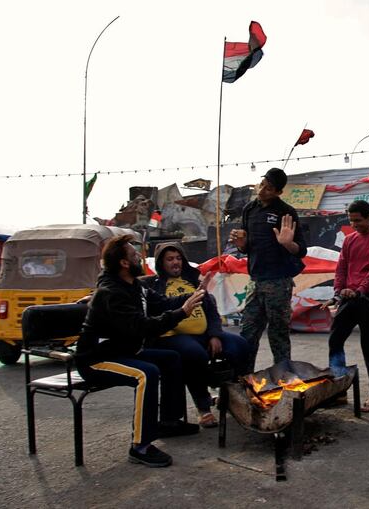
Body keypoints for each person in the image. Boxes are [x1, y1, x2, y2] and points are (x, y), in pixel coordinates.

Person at [75, 235, 202, 468]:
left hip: (124, 352)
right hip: (98, 359)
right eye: (135, 255)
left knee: (172, 359)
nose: (140, 258)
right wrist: (182, 312)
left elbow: (162, 303)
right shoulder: (111, 292)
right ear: (124, 263)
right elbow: (141, 327)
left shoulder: (136, 286)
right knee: (146, 373)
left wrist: (197, 294)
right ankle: (140, 446)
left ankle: (169, 422)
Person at [142, 242, 250, 428]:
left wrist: (214, 334)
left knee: (240, 345)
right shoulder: (153, 285)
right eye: (170, 259)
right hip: (172, 336)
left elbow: (212, 313)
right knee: (194, 354)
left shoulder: (193, 281)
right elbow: (131, 291)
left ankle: (233, 396)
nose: (175, 262)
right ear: (161, 263)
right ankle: (204, 406)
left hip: (205, 334)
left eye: (178, 258)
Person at [229, 168, 308, 372]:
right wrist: (241, 243)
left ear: (278, 192)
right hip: (255, 279)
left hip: (279, 281)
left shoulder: (286, 212)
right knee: (248, 333)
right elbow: (246, 246)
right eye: (262, 183)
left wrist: (287, 244)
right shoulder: (249, 209)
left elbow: (301, 250)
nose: (262, 189)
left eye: (269, 188)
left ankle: (283, 379)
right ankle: (244, 380)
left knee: (278, 334)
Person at [324, 200, 369, 413]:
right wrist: (338, 292)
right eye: (351, 221)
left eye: (358, 220)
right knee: (335, 340)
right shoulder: (349, 240)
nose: (355, 225)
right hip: (349, 299)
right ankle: (339, 390)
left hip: (368, 300)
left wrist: (359, 290)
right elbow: (341, 267)